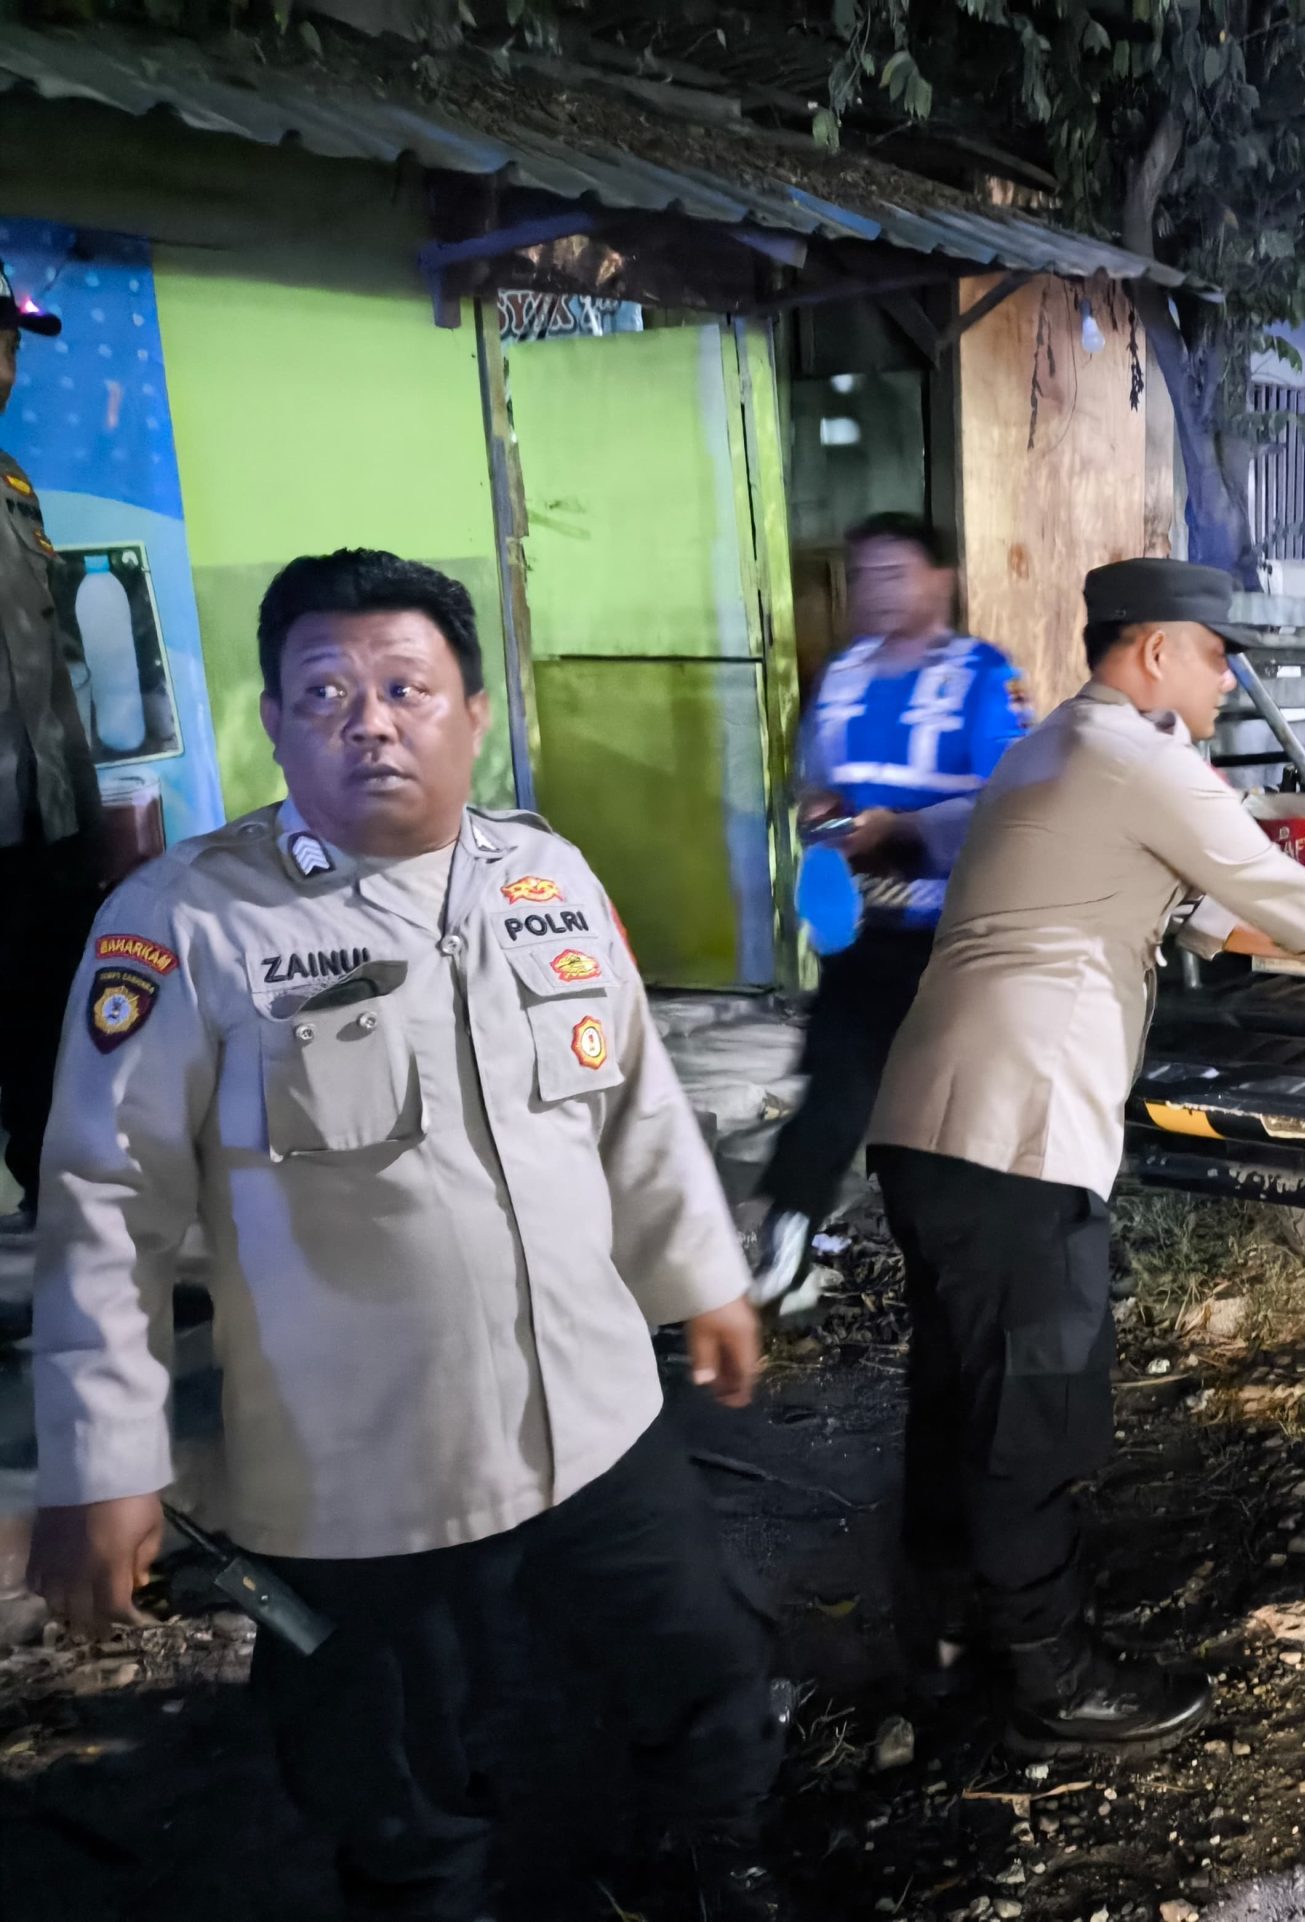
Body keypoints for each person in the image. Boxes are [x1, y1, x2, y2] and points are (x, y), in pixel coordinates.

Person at [26, 550, 786, 1921]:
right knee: (397, 1786)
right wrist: (107, 1460)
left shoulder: (542, 875)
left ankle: (708, 1862)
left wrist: (704, 1279)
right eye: (325, 691)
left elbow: (635, 1098)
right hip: (362, 1478)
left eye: (404, 686)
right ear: (275, 720)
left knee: (706, 1671)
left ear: (473, 711)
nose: (367, 717)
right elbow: (103, 1205)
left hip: (597, 1417)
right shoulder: (187, 922)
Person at [866, 558, 1305, 1757]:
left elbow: (1194, 912)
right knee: (1033, 1406)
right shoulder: (1141, 758)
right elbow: (1272, 890)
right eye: (1221, 654)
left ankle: (948, 1638)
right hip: (1017, 1123)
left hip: (935, 1117)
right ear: (1158, 649)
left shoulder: (1058, 748)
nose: (1231, 679)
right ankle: (1053, 1679)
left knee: (958, 1391)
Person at [750, 513, 1026, 1307]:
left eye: (895, 572)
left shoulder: (984, 676)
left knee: (954, 1100)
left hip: (956, 935)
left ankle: (965, 1258)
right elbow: (815, 787)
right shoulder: (842, 676)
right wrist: (828, 820)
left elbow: (1010, 801)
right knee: (836, 1083)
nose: (875, 590)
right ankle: (789, 1243)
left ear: (942, 581)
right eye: (865, 574)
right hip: (862, 928)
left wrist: (900, 829)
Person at [0, 256, 105, 1237]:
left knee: (48, 1022)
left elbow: (57, 651)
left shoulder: (15, 481)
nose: (1, 360)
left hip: (45, 822)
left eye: (6, 341)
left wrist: (87, 798)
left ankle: (54, 1217)